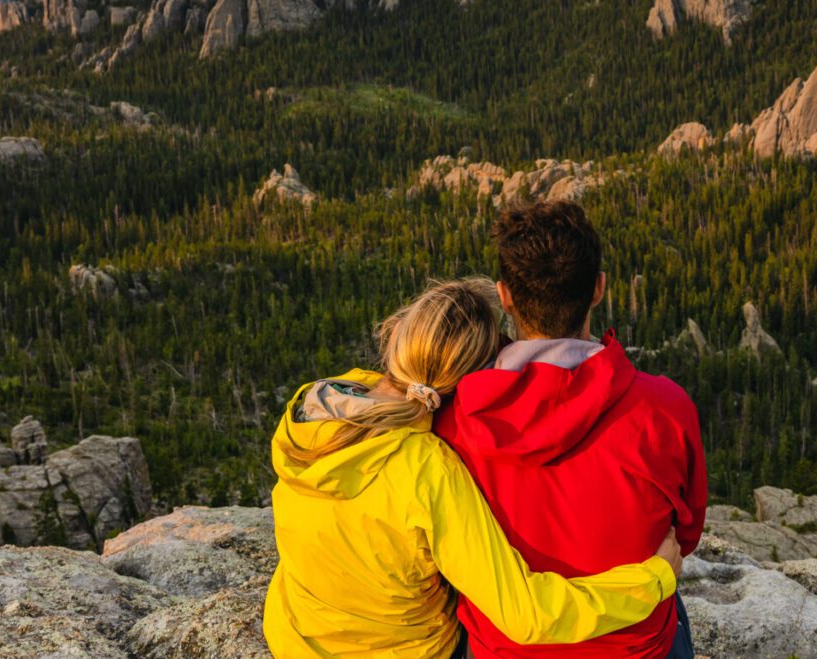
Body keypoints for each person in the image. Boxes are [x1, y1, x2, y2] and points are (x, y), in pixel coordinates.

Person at [263, 277, 684, 659]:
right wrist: (654, 579)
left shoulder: (315, 403)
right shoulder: (425, 469)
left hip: (292, 635)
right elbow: (526, 614)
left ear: (398, 337)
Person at [435, 201, 708, 659]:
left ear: (504, 296)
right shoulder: (665, 410)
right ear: (598, 288)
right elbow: (687, 535)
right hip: (636, 648)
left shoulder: (453, 421)